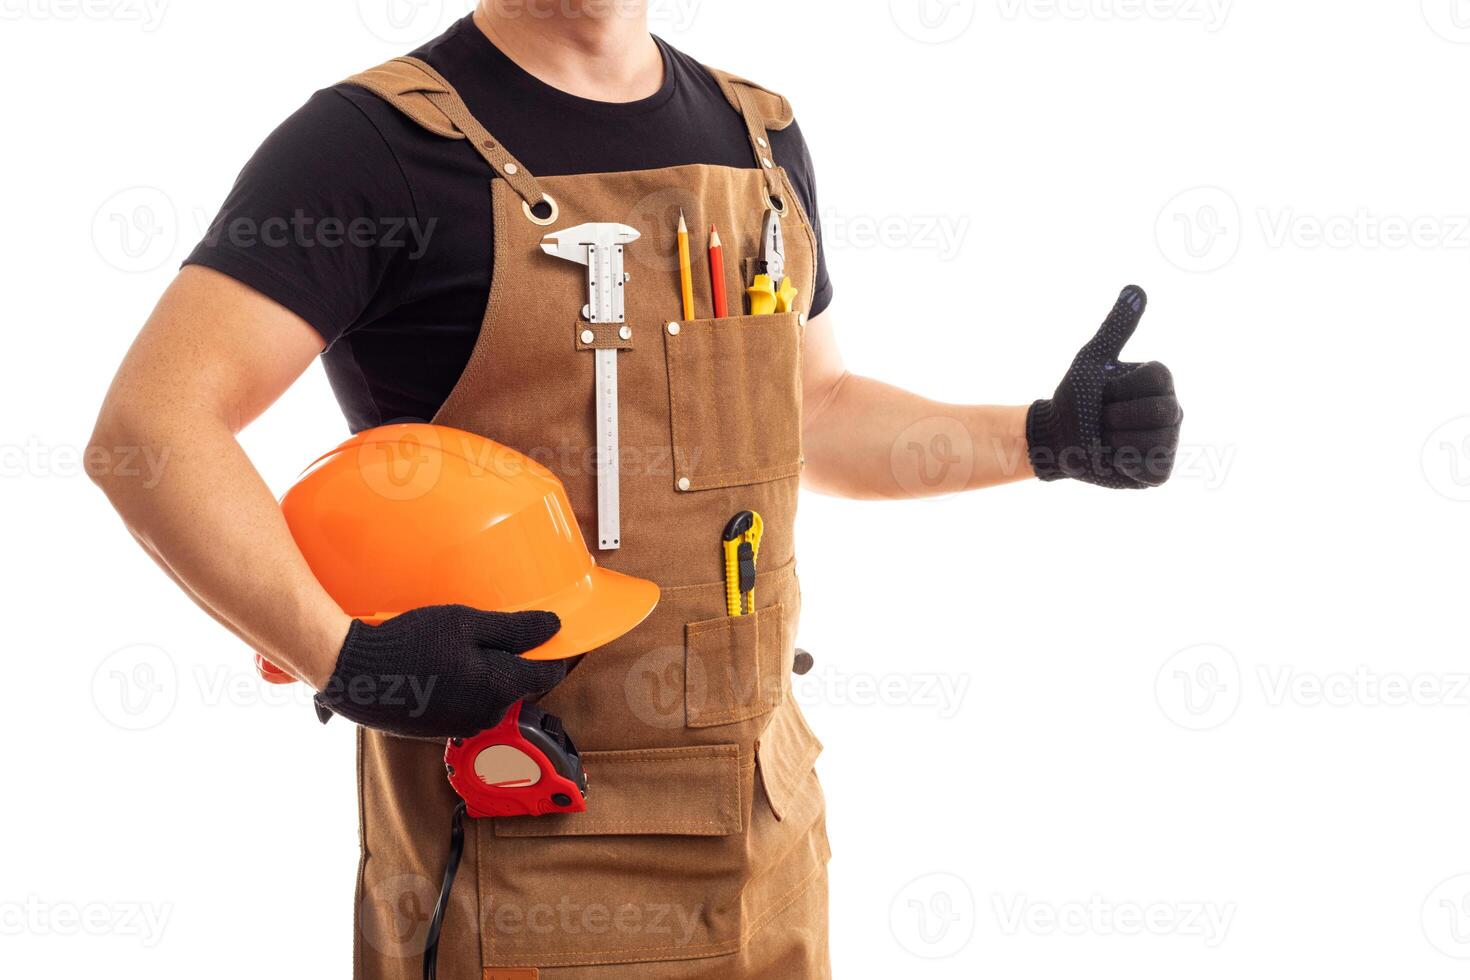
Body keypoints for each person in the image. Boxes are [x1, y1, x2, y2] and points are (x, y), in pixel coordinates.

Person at [88, 2, 1182, 977]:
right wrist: (347, 655)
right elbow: (153, 426)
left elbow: (819, 408)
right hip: (524, 848)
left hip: (770, 830)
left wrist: (1042, 438)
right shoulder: (372, 147)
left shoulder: (761, 139)